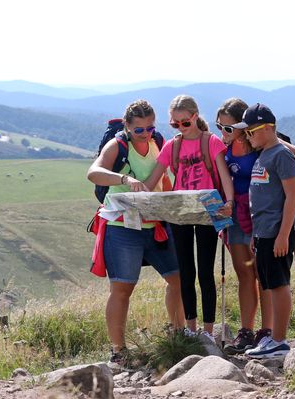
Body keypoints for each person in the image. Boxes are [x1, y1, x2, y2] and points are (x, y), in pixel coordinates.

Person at [87, 99, 185, 364]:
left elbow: (165, 177)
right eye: (139, 129)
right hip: (122, 226)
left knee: (178, 280)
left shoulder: (158, 141)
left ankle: (179, 334)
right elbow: (93, 173)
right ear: (127, 126)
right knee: (122, 289)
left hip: (156, 224)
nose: (146, 133)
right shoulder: (117, 146)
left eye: (150, 128)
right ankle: (118, 351)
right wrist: (124, 179)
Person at [217, 99, 295, 355]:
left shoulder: (276, 151)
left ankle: (275, 337)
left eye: (249, 130)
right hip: (256, 225)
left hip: (275, 228)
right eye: (244, 132)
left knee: (274, 282)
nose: (246, 136)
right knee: (260, 279)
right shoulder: (255, 151)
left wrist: (283, 231)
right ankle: (261, 336)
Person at [144, 95, 234, 342]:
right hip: (180, 210)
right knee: (186, 272)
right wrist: (132, 195)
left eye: (184, 122)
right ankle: (190, 329)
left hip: (209, 208)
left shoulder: (211, 142)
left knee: (205, 271)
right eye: (175, 124)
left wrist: (230, 202)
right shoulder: (171, 146)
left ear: (195, 116)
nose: (180, 127)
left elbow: (224, 175)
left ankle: (208, 332)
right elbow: (152, 181)